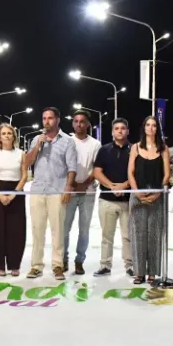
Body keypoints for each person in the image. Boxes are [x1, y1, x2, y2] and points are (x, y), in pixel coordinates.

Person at [25, 107, 77, 280]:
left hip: (57, 190)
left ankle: (57, 265)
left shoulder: (68, 141)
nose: (46, 121)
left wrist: (68, 188)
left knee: (58, 230)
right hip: (38, 190)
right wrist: (38, 145)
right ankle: (36, 265)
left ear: (58, 120)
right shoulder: (36, 140)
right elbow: (27, 163)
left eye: (50, 118)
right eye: (44, 118)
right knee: (37, 229)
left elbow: (72, 168)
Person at [128, 116, 170, 285]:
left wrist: (159, 192)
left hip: (157, 196)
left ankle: (152, 272)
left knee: (154, 235)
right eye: (148, 125)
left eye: (154, 125)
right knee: (138, 235)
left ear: (157, 129)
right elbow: (130, 172)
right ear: (144, 127)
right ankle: (139, 272)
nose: (151, 128)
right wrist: (136, 192)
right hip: (137, 196)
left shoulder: (163, 148)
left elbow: (167, 173)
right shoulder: (135, 148)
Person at [93, 118, 133, 277]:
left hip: (128, 201)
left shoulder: (134, 149)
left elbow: (137, 173)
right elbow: (97, 172)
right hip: (107, 200)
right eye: (117, 128)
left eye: (123, 128)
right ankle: (105, 265)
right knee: (106, 236)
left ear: (127, 131)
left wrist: (124, 186)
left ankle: (130, 265)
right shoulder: (104, 150)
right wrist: (112, 186)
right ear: (112, 132)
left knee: (128, 236)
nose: (120, 131)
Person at [63, 109, 101, 275]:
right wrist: (71, 185)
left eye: (82, 121)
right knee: (64, 228)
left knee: (84, 229)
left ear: (87, 124)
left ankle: (79, 261)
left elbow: (97, 168)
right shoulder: (66, 142)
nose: (79, 124)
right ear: (73, 123)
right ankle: (63, 259)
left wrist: (84, 184)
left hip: (88, 192)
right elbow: (62, 166)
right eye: (76, 121)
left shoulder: (95, 144)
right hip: (68, 192)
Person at [0, 123, 27, 276]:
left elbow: (24, 176)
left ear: (13, 136)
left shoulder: (21, 154)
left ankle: (14, 265)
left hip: (16, 194)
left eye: (9, 133)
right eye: (3, 133)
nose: (6, 136)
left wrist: (13, 194)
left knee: (16, 230)